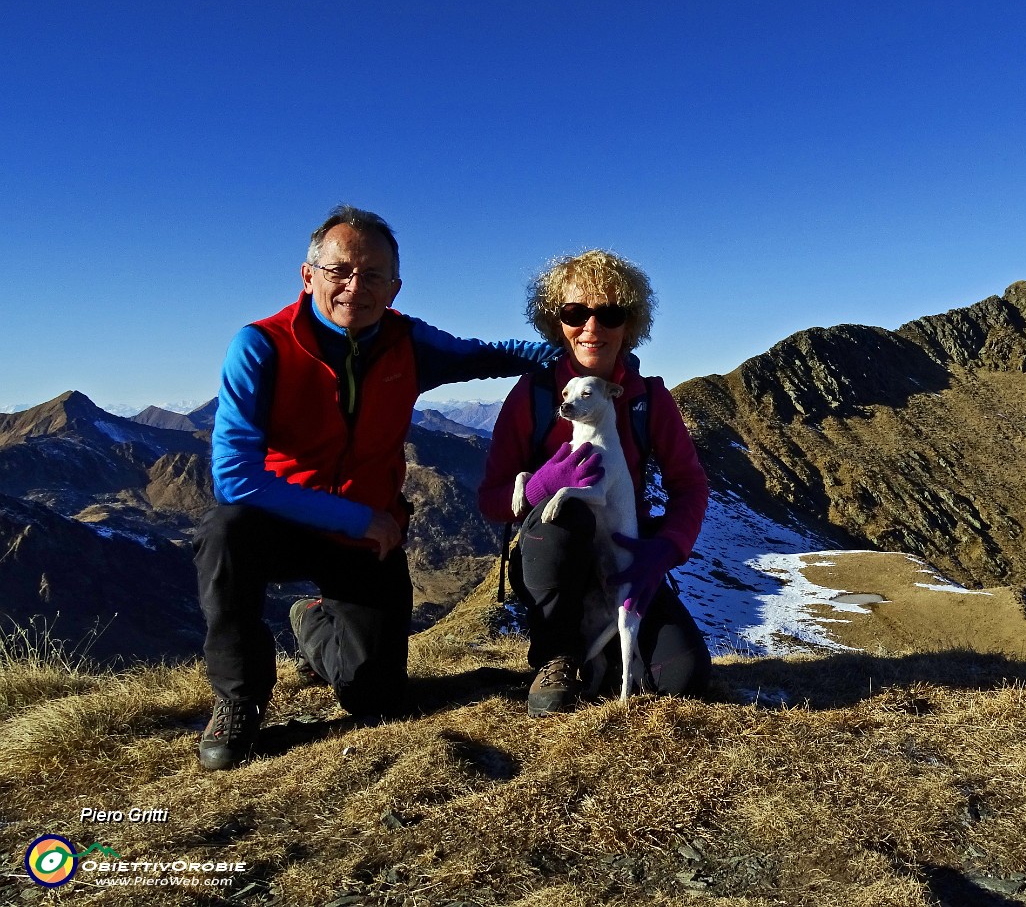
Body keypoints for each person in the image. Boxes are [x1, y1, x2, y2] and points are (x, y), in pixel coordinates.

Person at [195, 205, 557, 770]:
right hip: (294, 521)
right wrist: (359, 519)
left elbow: (497, 354)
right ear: (308, 274)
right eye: (340, 270)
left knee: (377, 700)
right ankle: (239, 700)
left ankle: (311, 618)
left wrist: (588, 349)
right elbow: (235, 478)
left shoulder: (409, 343)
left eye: (373, 276)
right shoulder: (261, 346)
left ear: (395, 288)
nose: (355, 287)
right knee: (225, 532)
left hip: (368, 537)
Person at [478, 249, 711, 716]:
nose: (591, 327)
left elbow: (690, 485)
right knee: (564, 516)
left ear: (630, 324)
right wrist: (542, 485)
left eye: (610, 313)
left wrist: (665, 548)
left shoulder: (649, 399)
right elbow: (491, 498)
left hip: (625, 559)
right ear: (555, 320)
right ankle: (556, 654)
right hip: (553, 556)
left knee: (683, 677)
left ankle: (604, 650)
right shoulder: (534, 395)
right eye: (574, 312)